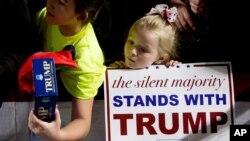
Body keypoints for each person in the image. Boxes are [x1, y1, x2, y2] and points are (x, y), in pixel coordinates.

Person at [26, 0, 106, 140]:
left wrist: (58, 135)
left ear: (80, 16)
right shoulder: (49, 15)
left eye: (61, 2)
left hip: (63, 98)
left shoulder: (88, 61)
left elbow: (82, 121)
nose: (50, 3)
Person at [109, 4, 179, 69]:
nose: (132, 51)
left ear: (160, 58)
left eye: (143, 49)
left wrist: (177, 70)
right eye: (131, 42)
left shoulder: (168, 73)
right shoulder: (118, 68)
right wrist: (111, 73)